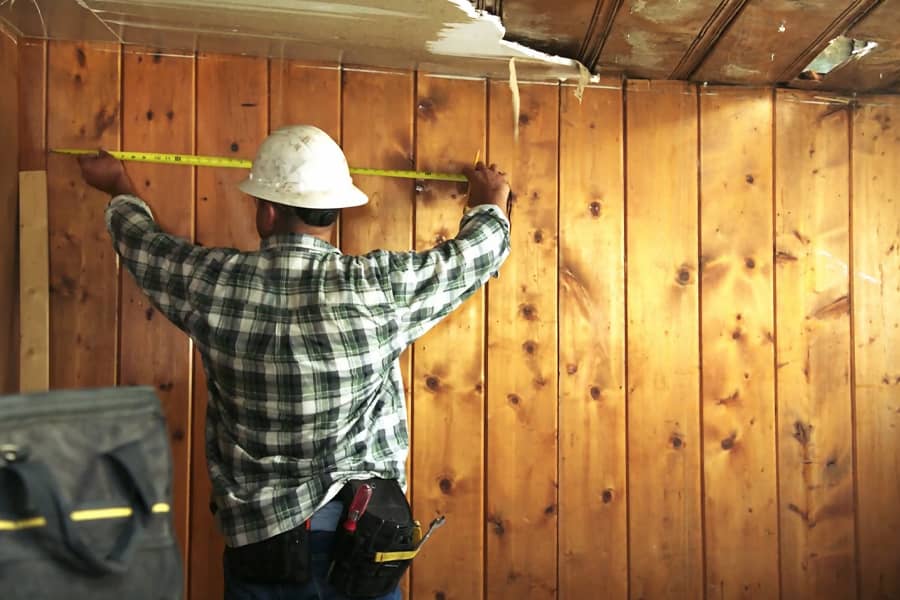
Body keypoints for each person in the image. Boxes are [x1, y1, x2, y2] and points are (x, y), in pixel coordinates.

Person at [76, 125, 511, 599]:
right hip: (361, 542)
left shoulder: (212, 283)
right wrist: (488, 202)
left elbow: (143, 246)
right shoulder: (377, 289)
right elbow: (475, 254)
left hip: (261, 545)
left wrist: (117, 184)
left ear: (266, 211)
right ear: (336, 211)